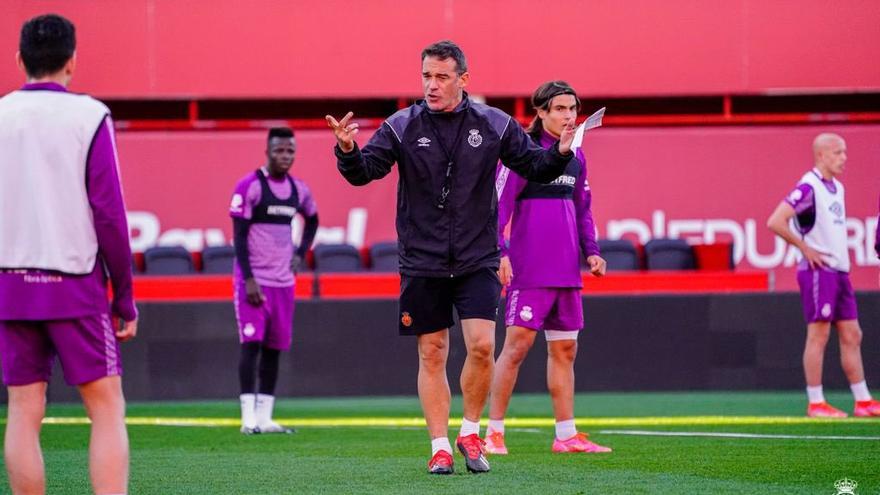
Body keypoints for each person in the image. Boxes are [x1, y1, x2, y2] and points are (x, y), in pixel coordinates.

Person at [326, 40, 575, 474]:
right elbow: (364, 172)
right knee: (433, 351)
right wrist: (347, 150)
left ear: (464, 79)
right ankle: (440, 445)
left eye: (441, 77)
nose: (431, 85)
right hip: (422, 259)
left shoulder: (495, 123)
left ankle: (470, 433)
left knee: (481, 348)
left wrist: (560, 152)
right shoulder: (402, 125)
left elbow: (535, 166)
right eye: (426, 76)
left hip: (478, 256)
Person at [0, 14, 137, 495]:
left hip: (11, 284)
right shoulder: (90, 116)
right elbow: (110, 213)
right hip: (75, 284)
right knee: (105, 408)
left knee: (22, 411)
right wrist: (124, 297)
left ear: (19, 60)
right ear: (73, 62)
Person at [485, 81, 612, 455]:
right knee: (516, 348)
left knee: (565, 351)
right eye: (559, 109)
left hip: (566, 274)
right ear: (540, 113)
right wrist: (501, 253)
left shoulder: (577, 156)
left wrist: (592, 252)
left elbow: (583, 209)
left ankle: (566, 435)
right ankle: (492, 433)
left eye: (572, 108)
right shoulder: (521, 155)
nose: (569, 115)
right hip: (530, 270)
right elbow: (497, 208)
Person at [766, 133, 880, 418]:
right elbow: (776, 220)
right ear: (822, 155)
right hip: (819, 272)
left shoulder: (837, 188)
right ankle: (816, 401)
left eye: (844, 152)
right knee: (819, 334)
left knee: (853, 334)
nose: (844, 158)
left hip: (840, 270)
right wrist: (805, 248)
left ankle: (863, 400)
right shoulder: (809, 186)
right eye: (838, 153)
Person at [229, 127, 318, 434]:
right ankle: (247, 418)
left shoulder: (299, 190)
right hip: (254, 281)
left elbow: (313, 218)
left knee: (274, 348)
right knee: (251, 344)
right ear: (267, 152)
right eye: (279, 150)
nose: (285, 156)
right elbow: (239, 237)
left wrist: (300, 253)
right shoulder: (249, 186)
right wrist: (249, 279)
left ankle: (265, 417)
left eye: (290, 151)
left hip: (283, 282)